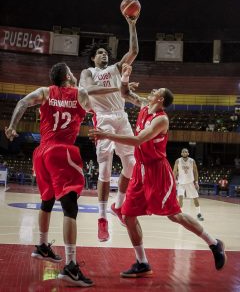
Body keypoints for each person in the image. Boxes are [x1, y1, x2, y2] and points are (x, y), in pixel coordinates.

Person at [89, 64, 227, 278]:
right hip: (140, 171)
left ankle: (214, 243)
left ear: (160, 100)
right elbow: (124, 93)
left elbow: (137, 140)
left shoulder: (161, 120)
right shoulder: (144, 105)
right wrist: (124, 76)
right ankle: (142, 262)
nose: (151, 92)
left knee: (174, 215)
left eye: (156, 92)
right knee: (128, 215)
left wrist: (107, 135)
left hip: (157, 172)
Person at [5, 62, 120, 287]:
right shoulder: (79, 93)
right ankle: (70, 266)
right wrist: (118, 88)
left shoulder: (45, 92)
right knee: (70, 207)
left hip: (42, 153)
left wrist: (11, 126)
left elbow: (21, 103)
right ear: (68, 76)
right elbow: (96, 92)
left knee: (47, 200)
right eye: (71, 72)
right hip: (61, 151)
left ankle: (42, 245)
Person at [80, 15, 139, 242]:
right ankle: (102, 218)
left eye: (106, 52)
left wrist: (132, 24)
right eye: (100, 53)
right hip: (102, 119)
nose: (104, 54)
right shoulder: (88, 72)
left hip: (121, 118)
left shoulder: (116, 69)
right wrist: (118, 89)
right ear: (94, 58)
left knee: (132, 166)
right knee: (104, 169)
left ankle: (119, 205)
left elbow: (133, 51)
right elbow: (90, 90)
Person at [173, 148, 204, 221]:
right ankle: (180, 214)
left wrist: (196, 182)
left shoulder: (192, 161)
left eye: (186, 152)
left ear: (188, 153)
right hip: (181, 183)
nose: (184, 153)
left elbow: (195, 172)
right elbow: (174, 171)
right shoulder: (178, 161)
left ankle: (199, 214)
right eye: (183, 152)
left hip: (190, 182)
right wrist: (174, 180)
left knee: (195, 198)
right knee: (180, 198)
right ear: (181, 153)